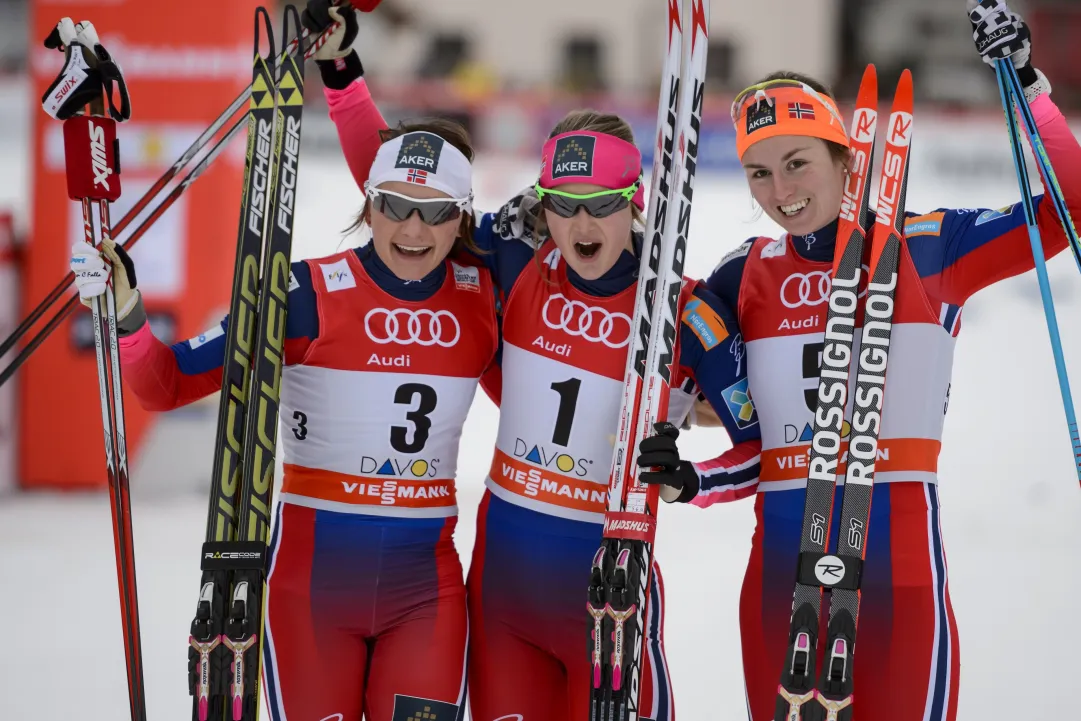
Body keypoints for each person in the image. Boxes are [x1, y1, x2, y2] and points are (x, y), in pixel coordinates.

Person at [300, 3, 764, 718]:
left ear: (635, 201)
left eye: (602, 204)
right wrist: (341, 71)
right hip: (501, 597)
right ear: (542, 205)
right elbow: (408, 197)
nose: (583, 224)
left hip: (609, 597)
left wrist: (689, 480)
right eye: (564, 203)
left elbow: (762, 451)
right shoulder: (516, 263)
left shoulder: (687, 313)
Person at [633, 1, 1081, 719]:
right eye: (756, 174)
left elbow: (1072, 208)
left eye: (796, 163)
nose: (779, 193)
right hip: (781, 577)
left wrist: (1025, 81)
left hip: (899, 577)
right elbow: (748, 445)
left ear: (845, 154)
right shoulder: (739, 279)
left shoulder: (930, 248)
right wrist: (686, 475)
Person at [70, 112, 498, 719]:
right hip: (312, 595)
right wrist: (127, 311)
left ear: (462, 217)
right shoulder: (305, 295)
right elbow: (164, 385)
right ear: (369, 204)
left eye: (437, 212)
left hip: (426, 597)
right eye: (395, 205)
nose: (413, 229)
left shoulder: (481, 298)